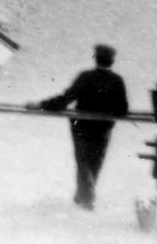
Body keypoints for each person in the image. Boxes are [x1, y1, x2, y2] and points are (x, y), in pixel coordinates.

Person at [27, 44, 129, 211]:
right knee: (95, 162)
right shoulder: (117, 81)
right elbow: (123, 109)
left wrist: (40, 105)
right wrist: (106, 112)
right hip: (103, 128)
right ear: (112, 61)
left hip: (81, 126)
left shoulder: (85, 77)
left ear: (95, 59)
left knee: (83, 162)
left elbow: (65, 99)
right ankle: (84, 198)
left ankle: (85, 199)